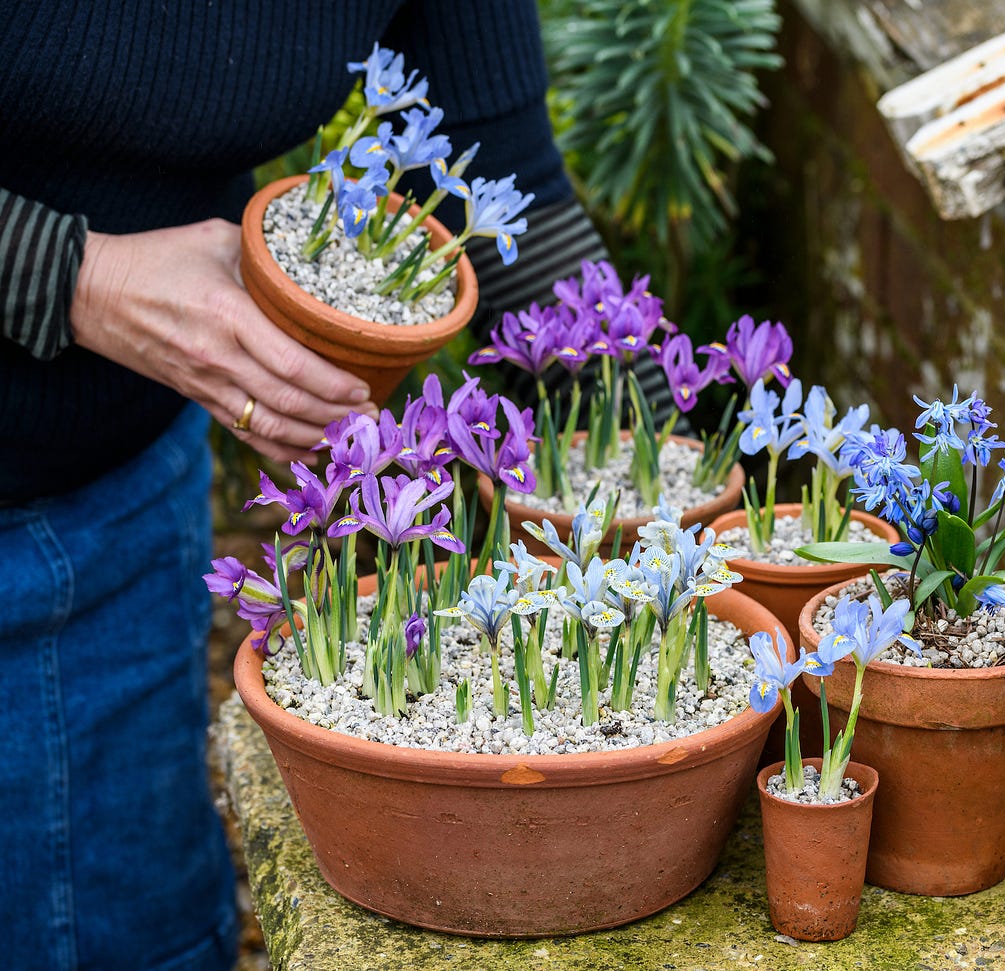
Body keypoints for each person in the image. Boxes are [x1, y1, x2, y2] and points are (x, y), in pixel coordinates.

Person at [0, 3, 606, 968]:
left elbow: (505, 189)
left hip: (115, 488)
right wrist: (79, 278)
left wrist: (653, 452)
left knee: (138, 935)